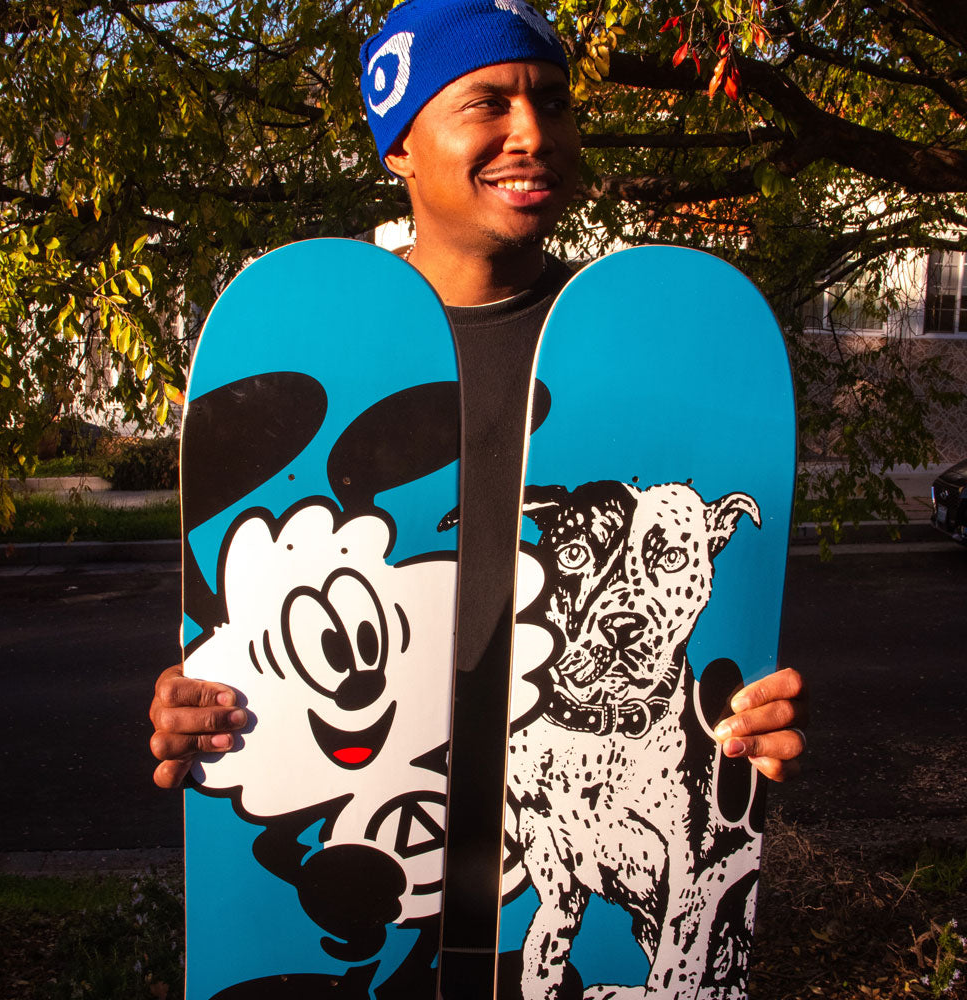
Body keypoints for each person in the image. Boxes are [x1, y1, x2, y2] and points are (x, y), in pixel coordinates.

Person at [150, 0, 807, 825]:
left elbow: (711, 644)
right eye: (487, 102)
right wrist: (202, 703)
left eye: (554, 102)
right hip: (391, 830)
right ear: (400, 146)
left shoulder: (633, 361)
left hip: (557, 842)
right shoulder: (326, 374)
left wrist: (754, 717)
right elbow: (255, 616)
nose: (534, 132)